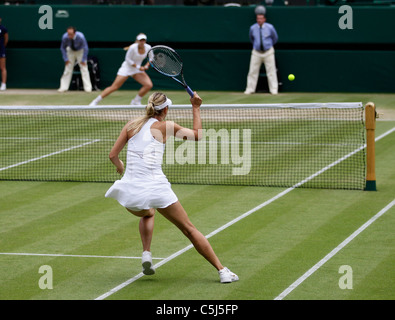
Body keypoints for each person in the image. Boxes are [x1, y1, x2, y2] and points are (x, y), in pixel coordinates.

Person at [105, 91, 239, 283]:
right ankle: (222, 271)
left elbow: (112, 155)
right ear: (165, 109)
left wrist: (121, 167)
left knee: (148, 213)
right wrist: (195, 107)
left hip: (130, 191)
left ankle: (146, 255)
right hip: (157, 188)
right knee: (189, 229)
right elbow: (197, 136)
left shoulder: (131, 125)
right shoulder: (166, 126)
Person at [89, 33, 152, 106]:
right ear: (137, 41)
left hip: (137, 70)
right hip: (127, 68)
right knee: (114, 87)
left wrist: (146, 66)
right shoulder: (132, 47)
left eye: (143, 40)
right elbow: (128, 59)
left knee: (148, 85)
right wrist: (138, 67)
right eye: (140, 40)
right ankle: (95, 101)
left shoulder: (148, 47)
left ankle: (136, 101)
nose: (142, 42)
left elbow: (151, 58)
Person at [244, 13, 278, 95]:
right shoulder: (252, 28)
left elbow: (275, 38)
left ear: (264, 19)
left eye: (261, 18)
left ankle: (274, 89)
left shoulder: (270, 27)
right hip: (256, 52)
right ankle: (250, 89)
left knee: (271, 71)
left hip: (268, 52)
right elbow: (251, 39)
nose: (259, 20)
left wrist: (268, 46)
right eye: (258, 18)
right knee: (252, 71)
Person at [58, 26, 92, 92]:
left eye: (70, 34)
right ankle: (63, 87)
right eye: (68, 34)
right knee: (67, 69)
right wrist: (66, 59)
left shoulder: (81, 37)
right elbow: (62, 48)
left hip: (80, 51)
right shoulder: (65, 37)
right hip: (70, 50)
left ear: (74, 33)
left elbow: (86, 48)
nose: (69, 35)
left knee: (84, 68)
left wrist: (83, 59)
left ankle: (88, 88)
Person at [0, 16, 8, 91]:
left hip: (1, 50)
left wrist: (2, 46)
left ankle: (3, 84)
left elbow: (6, 40)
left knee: (2, 67)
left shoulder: (3, 29)